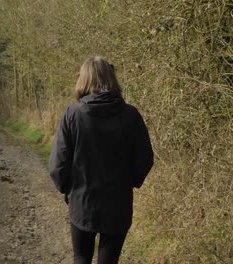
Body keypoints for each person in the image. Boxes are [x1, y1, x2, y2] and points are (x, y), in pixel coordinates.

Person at [49, 56, 154, 264]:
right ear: (112, 78)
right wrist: (130, 182)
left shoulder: (73, 115)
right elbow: (144, 160)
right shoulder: (131, 116)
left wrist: (67, 189)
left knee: (81, 257)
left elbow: (57, 165)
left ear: (83, 80)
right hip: (118, 205)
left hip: (82, 202)